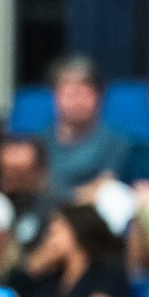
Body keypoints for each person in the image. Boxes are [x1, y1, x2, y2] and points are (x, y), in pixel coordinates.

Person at [10, 204, 131, 297]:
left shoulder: (107, 270)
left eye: (54, 233)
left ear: (76, 233)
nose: (48, 240)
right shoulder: (50, 277)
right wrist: (34, 265)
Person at [45, 55, 131, 202]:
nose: (76, 101)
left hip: (91, 212)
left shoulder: (115, 141)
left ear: (100, 97)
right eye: (69, 94)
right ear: (55, 96)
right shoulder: (39, 141)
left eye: (83, 93)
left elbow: (106, 186)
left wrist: (67, 198)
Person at [0, 137, 57, 249]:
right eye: (4, 170)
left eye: (17, 172)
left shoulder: (52, 212)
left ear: (38, 172)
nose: (9, 176)